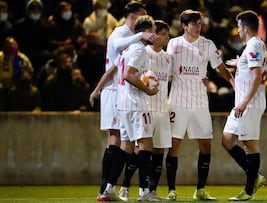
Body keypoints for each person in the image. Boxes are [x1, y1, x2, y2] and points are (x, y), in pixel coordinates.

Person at [88, 2, 159, 201]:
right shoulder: (136, 48)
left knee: (125, 146)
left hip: (123, 103)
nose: (154, 34)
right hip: (136, 102)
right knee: (146, 144)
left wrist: (97, 88)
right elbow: (128, 75)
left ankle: (109, 188)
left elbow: (115, 69)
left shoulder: (127, 50)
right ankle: (144, 191)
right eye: (152, 30)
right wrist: (149, 89)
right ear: (144, 30)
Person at [165, 9, 234, 201]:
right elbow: (166, 66)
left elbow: (220, 68)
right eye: (194, 23)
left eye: (200, 23)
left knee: (206, 144)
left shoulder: (208, 44)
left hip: (200, 101)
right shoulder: (174, 43)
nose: (198, 27)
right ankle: (172, 190)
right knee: (174, 144)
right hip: (177, 100)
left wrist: (234, 82)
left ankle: (201, 190)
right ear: (184, 26)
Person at [118, 20, 171, 202]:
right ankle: (125, 186)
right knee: (138, 150)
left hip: (161, 108)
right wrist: (148, 88)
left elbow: (172, 77)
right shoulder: (142, 50)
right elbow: (128, 73)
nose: (163, 37)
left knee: (157, 151)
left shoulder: (167, 58)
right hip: (144, 106)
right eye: (161, 33)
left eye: (165, 34)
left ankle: (150, 191)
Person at [221, 10, 267, 201]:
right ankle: (254, 177)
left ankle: (248, 191)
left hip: (249, 103)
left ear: (246, 27)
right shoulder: (254, 46)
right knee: (227, 140)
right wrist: (239, 63)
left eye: (239, 26)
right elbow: (251, 70)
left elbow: (257, 77)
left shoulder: (253, 45)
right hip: (242, 103)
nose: (237, 30)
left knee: (250, 146)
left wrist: (245, 102)